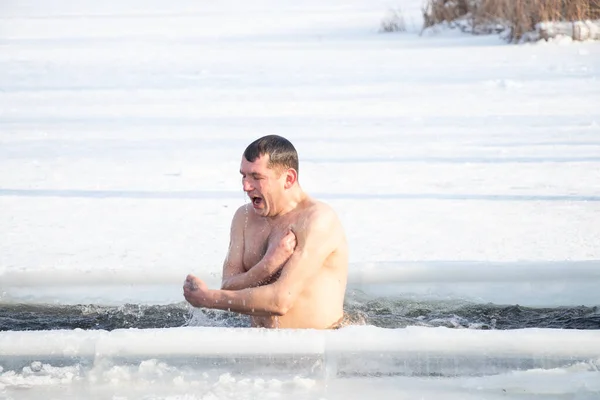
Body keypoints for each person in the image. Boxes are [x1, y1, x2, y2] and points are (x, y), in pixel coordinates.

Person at [183, 134, 349, 329]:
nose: (246, 186)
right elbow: (228, 286)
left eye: (256, 177)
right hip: (260, 347)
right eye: (243, 175)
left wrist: (208, 299)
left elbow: (280, 301)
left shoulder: (317, 220)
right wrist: (268, 265)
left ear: (288, 179)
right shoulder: (244, 217)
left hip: (316, 348)